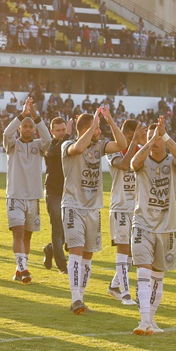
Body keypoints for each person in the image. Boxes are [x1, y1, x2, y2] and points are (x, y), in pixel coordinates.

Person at [61, 107, 126, 314]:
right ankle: (75, 298)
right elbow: (79, 148)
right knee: (76, 251)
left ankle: (81, 297)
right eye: (97, 129)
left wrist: (110, 121)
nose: (99, 132)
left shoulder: (100, 146)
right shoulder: (67, 145)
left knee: (88, 255)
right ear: (86, 129)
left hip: (93, 208)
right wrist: (93, 125)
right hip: (73, 206)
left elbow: (122, 145)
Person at [130, 116, 176, 335]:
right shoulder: (143, 160)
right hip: (142, 223)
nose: (153, 140)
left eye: (157, 137)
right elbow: (134, 163)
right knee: (143, 271)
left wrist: (165, 135)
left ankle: (151, 320)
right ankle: (143, 320)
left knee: (158, 275)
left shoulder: (172, 163)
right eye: (150, 137)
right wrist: (151, 139)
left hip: (166, 226)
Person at [3, 96, 51, 284]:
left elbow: (48, 138)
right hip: (15, 197)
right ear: (20, 128)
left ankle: (19, 269)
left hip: (33, 198)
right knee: (18, 232)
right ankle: (23, 269)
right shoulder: (12, 145)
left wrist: (36, 116)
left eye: (31, 127)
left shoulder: (39, 145)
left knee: (27, 235)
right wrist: (22, 115)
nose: (28, 129)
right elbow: (6, 133)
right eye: (25, 126)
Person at [106, 120, 146, 305]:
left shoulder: (141, 150)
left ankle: (114, 286)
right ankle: (125, 293)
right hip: (120, 207)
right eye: (131, 137)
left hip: (137, 209)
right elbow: (123, 165)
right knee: (123, 250)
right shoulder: (113, 151)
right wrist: (134, 144)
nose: (134, 140)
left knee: (133, 253)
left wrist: (143, 144)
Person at [43, 117, 70, 274]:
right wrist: (67, 136)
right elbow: (53, 153)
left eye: (63, 130)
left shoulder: (69, 144)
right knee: (58, 228)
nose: (61, 133)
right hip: (53, 192)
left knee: (67, 229)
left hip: (68, 192)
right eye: (58, 130)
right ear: (51, 131)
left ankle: (50, 249)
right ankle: (62, 266)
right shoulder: (49, 145)